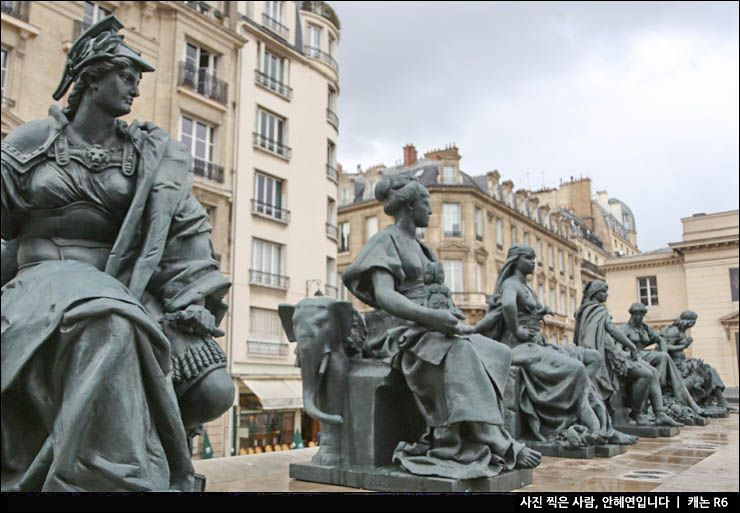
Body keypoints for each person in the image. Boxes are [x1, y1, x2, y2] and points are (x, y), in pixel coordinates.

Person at [1, 16, 233, 491]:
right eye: (125, 76)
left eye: (138, 79)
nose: (134, 88)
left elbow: (186, 231)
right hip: (43, 281)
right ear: (91, 76)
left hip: (131, 288)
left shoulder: (150, 155)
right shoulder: (33, 141)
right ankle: (107, 480)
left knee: (213, 390)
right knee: (109, 323)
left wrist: (192, 298)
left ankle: (155, 458)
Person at [342, 172, 540, 480]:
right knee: (460, 352)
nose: (431, 211)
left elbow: (437, 298)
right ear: (409, 205)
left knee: (497, 351)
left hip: (430, 326)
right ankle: (492, 438)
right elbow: (385, 296)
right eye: (426, 202)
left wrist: (456, 322)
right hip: (400, 329)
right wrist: (431, 318)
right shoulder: (385, 240)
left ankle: (477, 433)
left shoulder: (423, 249)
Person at [474, 246, 636, 446]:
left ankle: (590, 414)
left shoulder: (525, 287)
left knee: (592, 357)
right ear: (515, 260)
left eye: (534, 257)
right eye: (528, 258)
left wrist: (540, 312)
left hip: (539, 343)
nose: (534, 262)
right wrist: (517, 330)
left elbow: (521, 309)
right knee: (577, 369)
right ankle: (598, 427)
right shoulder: (511, 284)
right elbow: (506, 306)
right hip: (519, 348)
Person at [573, 281, 681, 427]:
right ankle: (636, 413)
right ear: (594, 293)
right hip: (607, 355)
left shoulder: (587, 310)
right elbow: (611, 329)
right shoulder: (597, 310)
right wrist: (631, 346)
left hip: (611, 352)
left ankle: (659, 413)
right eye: (603, 291)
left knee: (653, 372)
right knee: (646, 374)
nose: (606, 294)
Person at [622, 303, 706, 417]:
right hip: (632, 357)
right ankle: (682, 397)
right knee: (663, 357)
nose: (638, 317)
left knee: (664, 356)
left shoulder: (645, 328)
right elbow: (618, 349)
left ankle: (688, 401)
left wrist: (664, 351)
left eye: (641, 314)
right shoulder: (625, 329)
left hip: (645, 355)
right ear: (631, 314)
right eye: (636, 314)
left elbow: (661, 340)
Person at [661, 311, 735, 412]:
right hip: (675, 365)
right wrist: (683, 346)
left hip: (684, 362)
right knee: (704, 371)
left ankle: (721, 400)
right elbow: (663, 347)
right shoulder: (674, 331)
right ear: (688, 321)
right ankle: (717, 400)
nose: (693, 324)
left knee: (710, 370)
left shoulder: (682, 330)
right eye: (693, 322)